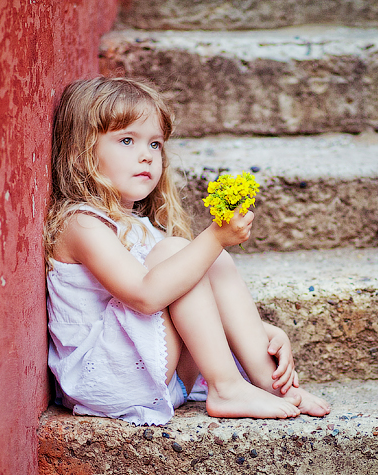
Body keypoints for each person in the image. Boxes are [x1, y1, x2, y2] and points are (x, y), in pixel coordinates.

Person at [44, 76, 330, 426]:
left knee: (209, 260)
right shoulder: (81, 224)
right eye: (127, 140)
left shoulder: (142, 225)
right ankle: (226, 388)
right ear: (81, 152)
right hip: (105, 379)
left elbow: (187, 306)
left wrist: (258, 335)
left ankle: (272, 384)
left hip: (163, 376)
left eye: (155, 144)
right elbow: (145, 296)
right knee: (183, 253)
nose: (146, 155)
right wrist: (214, 238)